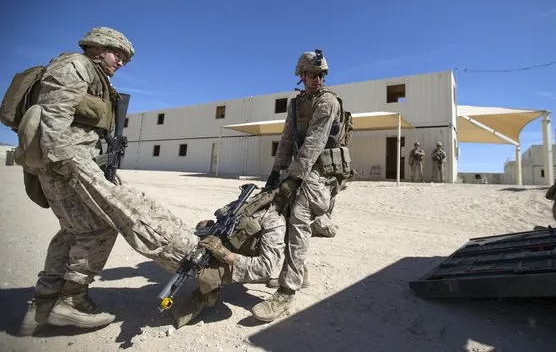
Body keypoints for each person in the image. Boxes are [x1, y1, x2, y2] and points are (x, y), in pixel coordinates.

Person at [14, 27, 222, 335]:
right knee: (100, 226)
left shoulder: (95, 76)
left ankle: (42, 306)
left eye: (125, 58)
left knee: (74, 230)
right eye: (118, 55)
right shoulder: (74, 66)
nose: (121, 62)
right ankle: (71, 300)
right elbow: (53, 118)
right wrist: (65, 168)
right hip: (67, 162)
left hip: (71, 161)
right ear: (98, 48)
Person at [251, 49, 353, 322]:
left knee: (298, 216)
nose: (317, 79)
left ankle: (287, 291)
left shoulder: (328, 102)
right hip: (301, 169)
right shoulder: (296, 105)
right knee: (280, 212)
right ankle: (301, 272)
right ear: (301, 76)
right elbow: (286, 140)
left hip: (322, 174)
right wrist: (276, 175)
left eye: (320, 75)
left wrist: (293, 179)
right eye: (311, 74)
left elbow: (315, 143)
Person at [170, 188, 287, 328]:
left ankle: (208, 294)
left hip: (240, 259)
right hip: (225, 246)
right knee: (192, 254)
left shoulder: (275, 221)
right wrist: (211, 227)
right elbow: (223, 218)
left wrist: (224, 253)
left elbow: (264, 267)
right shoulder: (247, 203)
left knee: (207, 276)